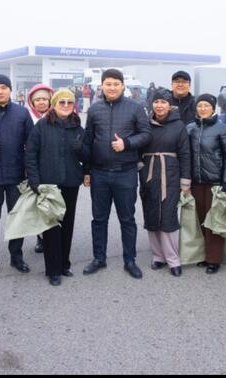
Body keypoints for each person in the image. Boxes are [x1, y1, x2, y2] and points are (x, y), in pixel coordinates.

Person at [82, 69, 152, 279]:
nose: (112, 87)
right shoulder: (94, 110)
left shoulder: (135, 108)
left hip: (126, 172)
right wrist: (86, 170)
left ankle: (130, 260)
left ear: (123, 86)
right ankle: (99, 258)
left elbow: (146, 134)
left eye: (116, 84)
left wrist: (127, 143)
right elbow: (88, 140)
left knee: (127, 219)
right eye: (108, 84)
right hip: (100, 173)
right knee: (99, 219)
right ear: (102, 86)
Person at [25, 89, 87, 286]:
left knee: (67, 224)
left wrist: (82, 150)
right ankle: (52, 270)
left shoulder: (77, 127)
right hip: (48, 184)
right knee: (52, 227)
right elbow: (31, 154)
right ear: (54, 104)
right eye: (62, 102)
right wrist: (35, 181)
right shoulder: (42, 126)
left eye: (70, 102)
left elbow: (88, 155)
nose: (66, 106)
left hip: (70, 182)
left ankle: (64, 264)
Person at [0, 74, 34, 275]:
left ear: (11, 90)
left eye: (4, 87)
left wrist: (30, 171)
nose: (0, 91)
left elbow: (32, 143)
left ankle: (16, 256)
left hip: (16, 175)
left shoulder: (22, 113)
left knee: (17, 218)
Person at [140, 89, 191, 277]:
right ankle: (158, 256)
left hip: (171, 175)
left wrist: (185, 181)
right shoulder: (145, 124)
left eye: (163, 102)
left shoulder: (179, 126)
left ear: (170, 105)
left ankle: (173, 259)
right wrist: (140, 166)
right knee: (151, 213)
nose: (159, 105)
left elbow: (185, 154)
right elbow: (137, 147)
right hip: (149, 174)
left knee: (168, 216)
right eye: (156, 102)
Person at [187, 93, 226, 274]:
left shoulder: (222, 128)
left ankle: (214, 259)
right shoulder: (190, 128)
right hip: (196, 181)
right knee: (200, 220)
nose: (203, 108)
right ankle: (204, 255)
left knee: (214, 221)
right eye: (200, 105)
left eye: (206, 105)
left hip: (215, 182)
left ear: (213, 108)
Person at [27, 83, 55, 254]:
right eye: (37, 99)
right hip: (34, 168)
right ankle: (41, 238)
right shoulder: (27, 117)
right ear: (32, 102)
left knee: (53, 205)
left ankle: (54, 237)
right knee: (38, 205)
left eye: (45, 99)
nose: (41, 102)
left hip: (52, 167)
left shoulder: (57, 115)